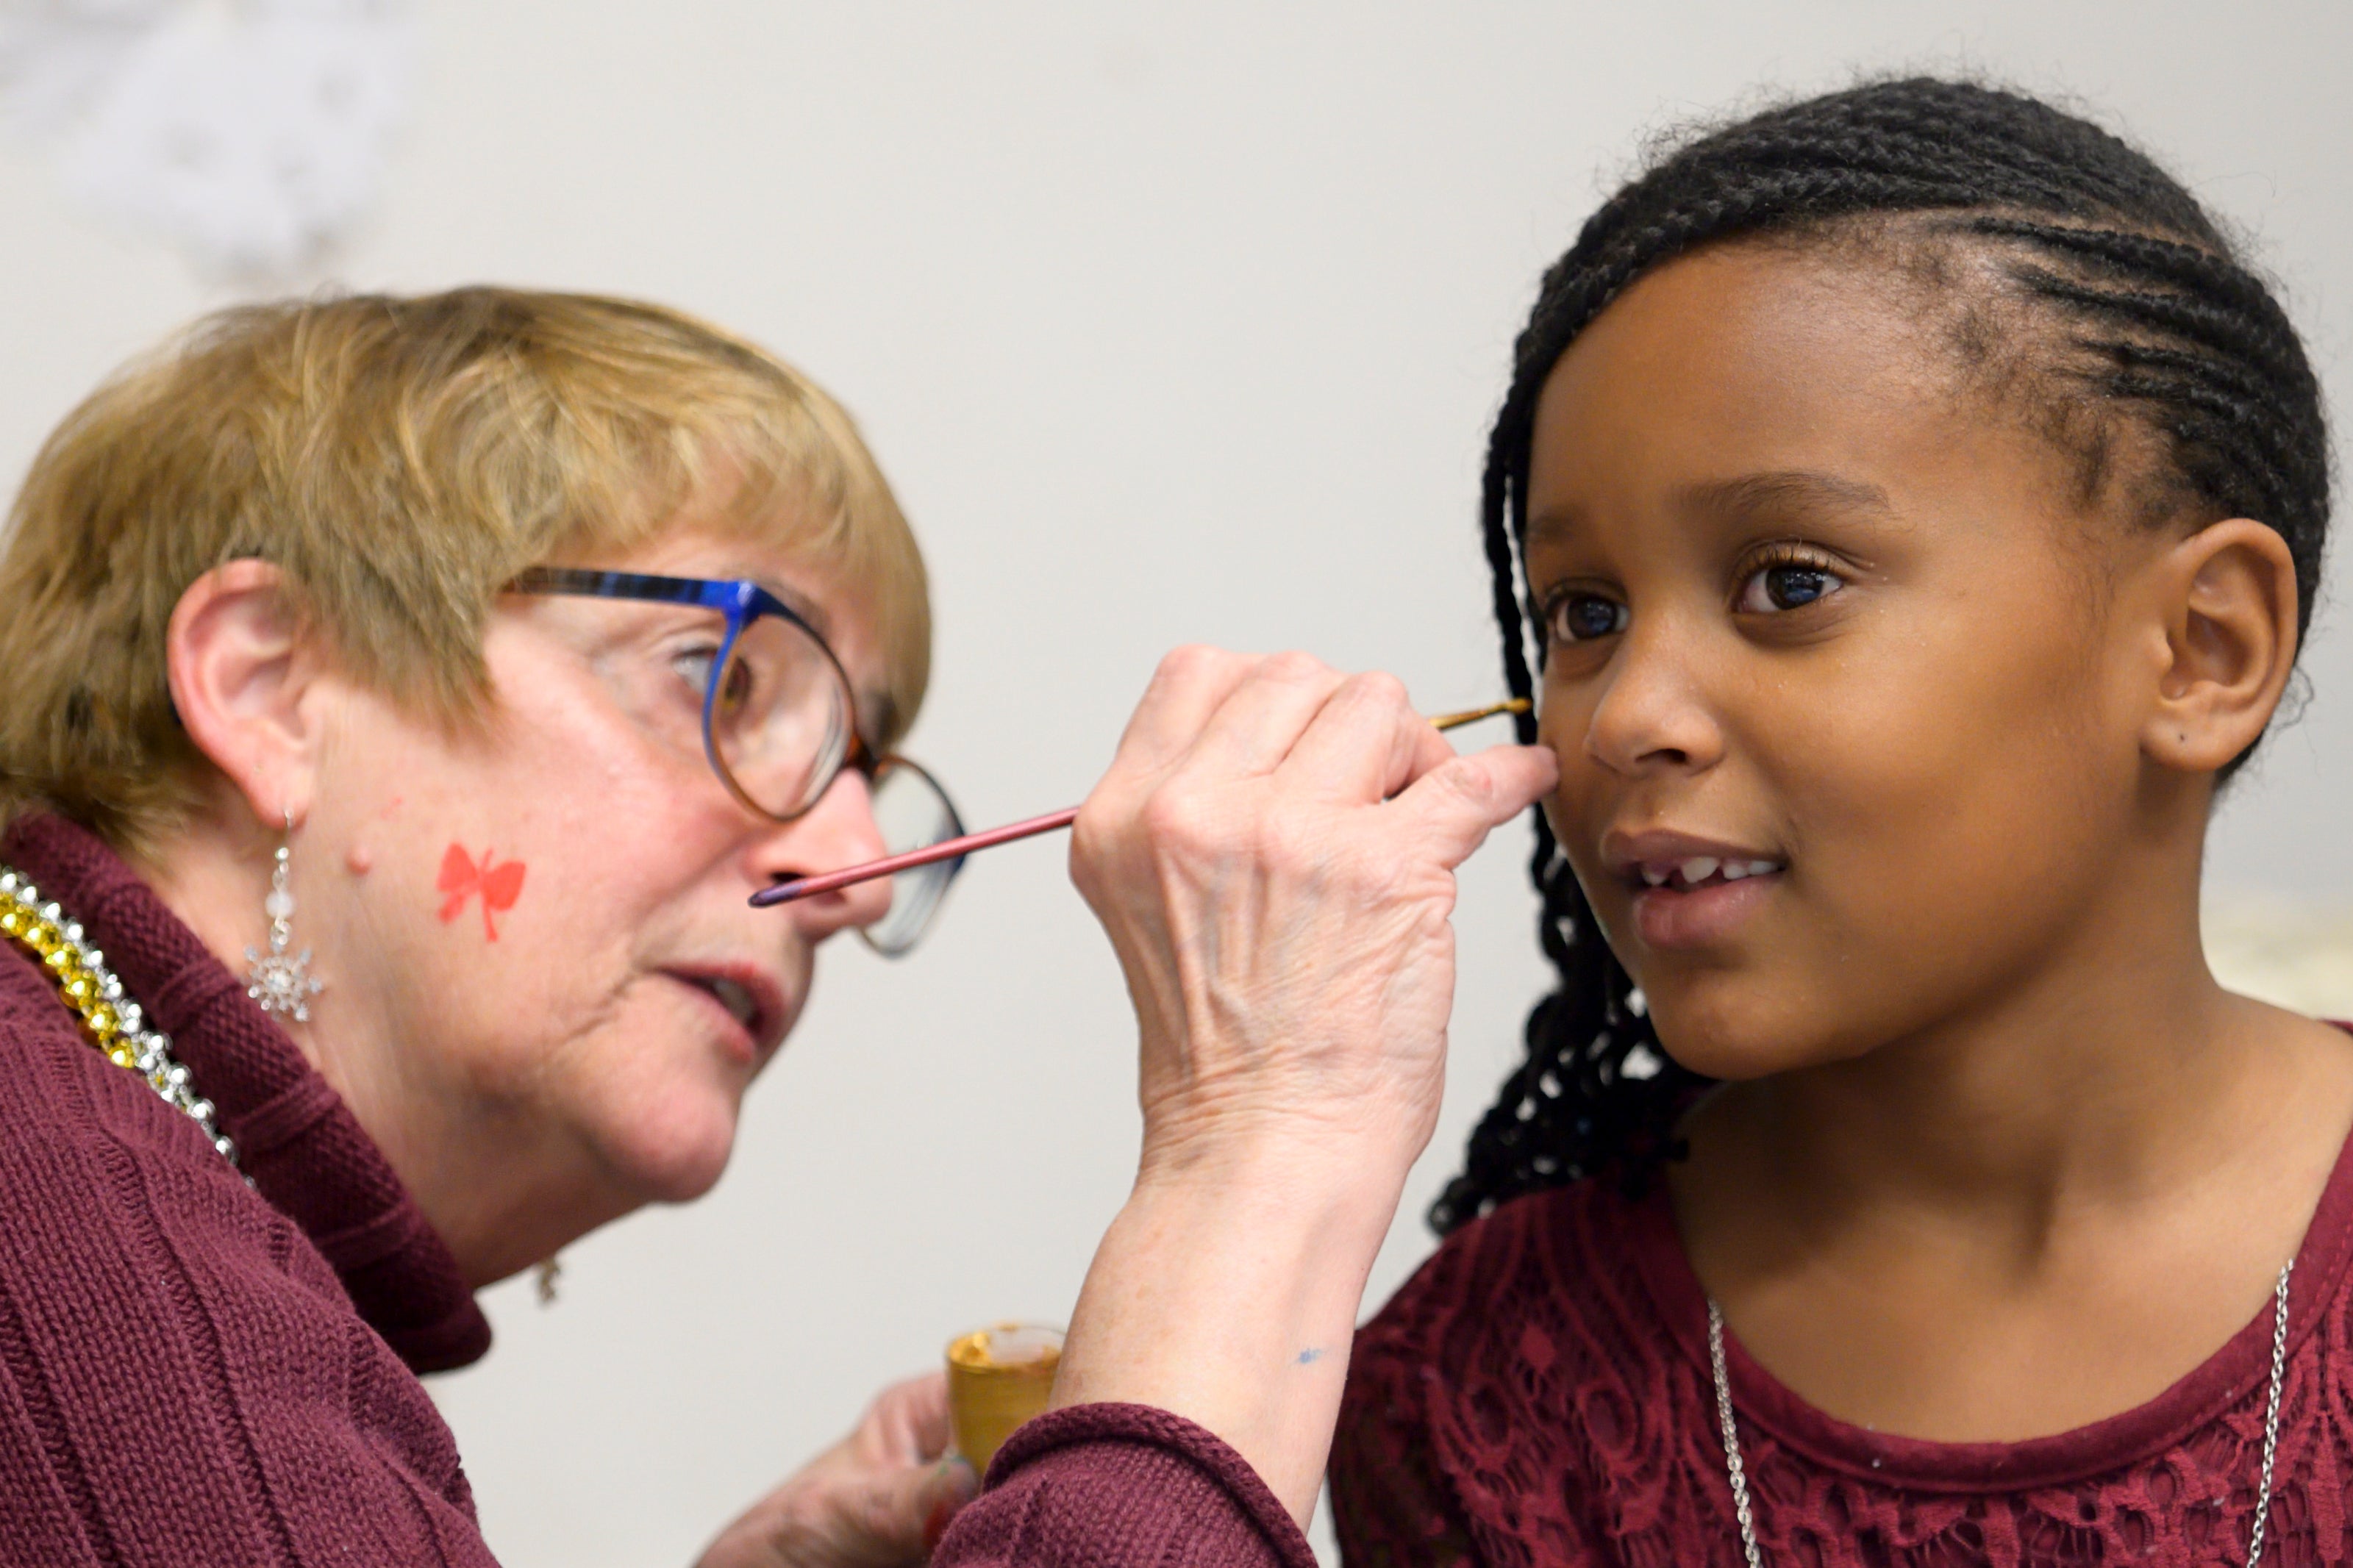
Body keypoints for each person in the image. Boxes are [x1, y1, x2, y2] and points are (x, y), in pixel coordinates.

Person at [0, 287, 1557, 1565]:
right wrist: (1258, 1140)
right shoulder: (49, 1217)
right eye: (727, 682)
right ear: (274, 686)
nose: (860, 869)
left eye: (870, 767)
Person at [1323, 78, 2345, 1566]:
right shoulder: (1476, 1394)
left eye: (1787, 581)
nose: (1620, 717)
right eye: (1582, 612)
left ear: (2200, 649)